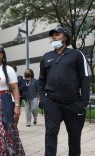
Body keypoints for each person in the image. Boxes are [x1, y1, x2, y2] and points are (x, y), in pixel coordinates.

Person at [38, 26, 89, 156]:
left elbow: (84, 78)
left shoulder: (76, 54)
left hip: (73, 103)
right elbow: (41, 80)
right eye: (52, 35)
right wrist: (43, 99)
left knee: (74, 136)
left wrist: (84, 102)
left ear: (65, 37)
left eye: (57, 34)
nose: (53, 37)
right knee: (51, 132)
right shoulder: (46, 57)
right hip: (52, 102)